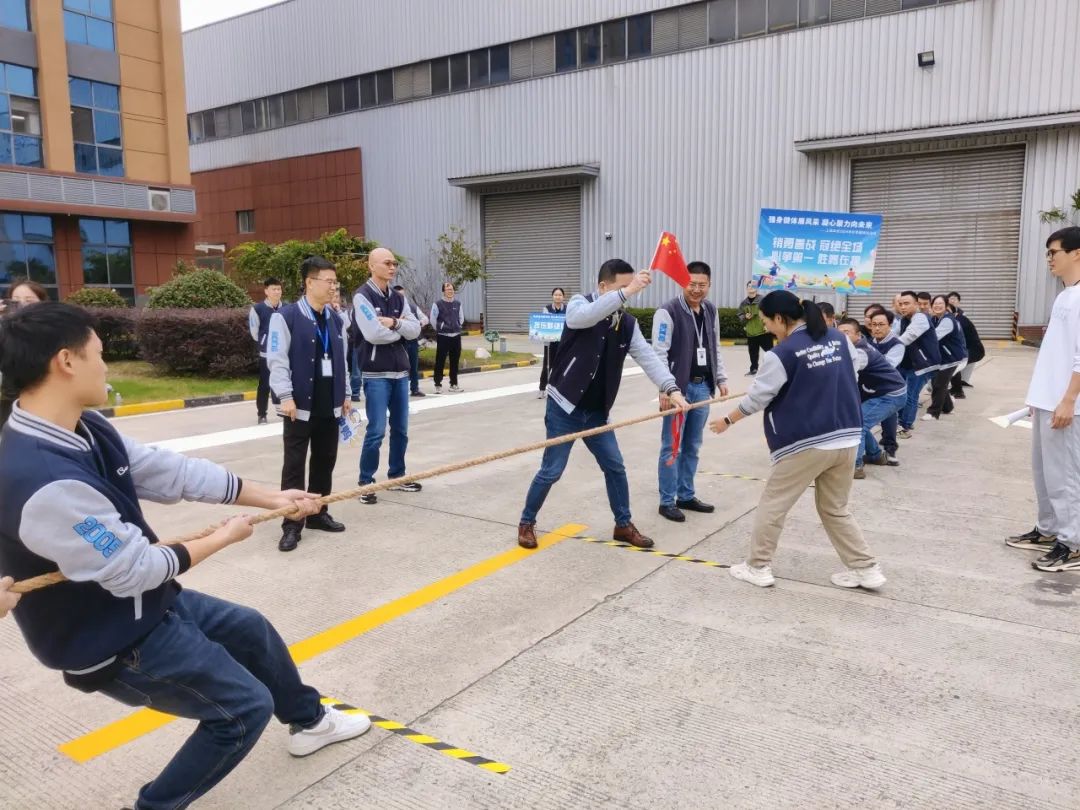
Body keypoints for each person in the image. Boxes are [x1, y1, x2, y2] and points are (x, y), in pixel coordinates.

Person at [0, 303, 370, 810]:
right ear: (66, 361)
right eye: (100, 354)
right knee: (242, 711)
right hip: (108, 638)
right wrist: (224, 537)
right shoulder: (43, 481)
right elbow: (135, 570)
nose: (106, 366)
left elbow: (169, 472)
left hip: (146, 606)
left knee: (251, 630)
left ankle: (310, 722)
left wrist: (273, 496)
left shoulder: (85, 427)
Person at [708, 291, 885, 591]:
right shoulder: (838, 338)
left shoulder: (782, 353)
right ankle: (866, 569)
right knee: (835, 508)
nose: (766, 327)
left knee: (773, 505)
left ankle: (757, 566)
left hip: (807, 442)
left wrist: (727, 420)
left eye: (766, 321)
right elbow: (851, 371)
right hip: (846, 438)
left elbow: (758, 398)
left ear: (780, 318)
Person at [517, 260, 688, 550]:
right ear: (603, 287)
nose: (629, 294)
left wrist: (671, 388)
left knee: (615, 467)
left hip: (597, 413)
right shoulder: (579, 304)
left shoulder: (627, 324)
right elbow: (581, 319)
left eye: (631, 288)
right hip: (564, 408)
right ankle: (526, 522)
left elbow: (648, 357)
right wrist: (626, 292)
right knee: (552, 471)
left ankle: (623, 525)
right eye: (623, 287)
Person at [1008, 226, 1080, 570]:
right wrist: (1038, 398)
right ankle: (1049, 529)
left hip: (1066, 405)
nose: (1049, 258)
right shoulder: (1066, 295)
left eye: (1054, 252)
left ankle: (1073, 542)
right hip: (1046, 401)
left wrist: (1069, 400)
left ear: (1076, 253)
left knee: (1065, 476)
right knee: (1044, 473)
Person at [267, 257, 351, 553]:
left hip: (330, 405)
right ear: (309, 283)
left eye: (335, 282)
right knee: (294, 466)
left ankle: (318, 513)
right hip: (299, 406)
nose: (333, 287)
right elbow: (276, 360)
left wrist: (346, 394)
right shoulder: (286, 317)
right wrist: (285, 396)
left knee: (325, 462)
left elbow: (342, 361)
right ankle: (291, 523)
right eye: (329, 281)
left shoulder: (336, 319)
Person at [652, 261, 729, 522]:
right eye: (691, 284)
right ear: (681, 282)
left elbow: (714, 346)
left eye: (702, 285)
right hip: (678, 391)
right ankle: (666, 501)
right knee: (672, 446)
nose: (696, 289)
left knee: (693, 445)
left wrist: (720, 377)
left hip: (702, 387)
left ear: (709, 285)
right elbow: (659, 354)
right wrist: (665, 388)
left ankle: (685, 495)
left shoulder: (710, 310)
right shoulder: (667, 311)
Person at [352, 249, 422, 504]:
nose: (393, 267)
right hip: (376, 375)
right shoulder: (362, 296)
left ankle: (397, 475)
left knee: (401, 429)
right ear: (372, 266)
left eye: (394, 263)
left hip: (400, 373)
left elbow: (416, 329)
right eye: (387, 263)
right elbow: (372, 334)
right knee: (376, 430)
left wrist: (394, 323)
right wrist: (402, 331)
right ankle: (366, 481)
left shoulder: (398, 298)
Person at [837, 318, 906, 478]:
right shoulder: (853, 348)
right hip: (882, 392)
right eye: (839, 334)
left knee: (858, 425)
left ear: (858, 335)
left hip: (890, 394)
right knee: (859, 421)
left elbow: (843, 372)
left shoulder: (861, 353)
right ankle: (875, 456)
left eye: (846, 333)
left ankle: (856, 466)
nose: (842, 337)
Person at [895, 290, 940, 437]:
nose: (903, 307)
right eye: (900, 304)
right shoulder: (904, 319)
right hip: (910, 363)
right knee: (903, 393)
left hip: (923, 364)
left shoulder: (920, 318)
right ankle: (904, 421)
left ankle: (905, 426)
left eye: (906, 303)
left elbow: (908, 337)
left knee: (910, 395)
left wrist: (889, 346)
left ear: (916, 304)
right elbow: (894, 334)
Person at [868, 309, 905, 464]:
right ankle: (872, 451)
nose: (877, 328)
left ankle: (890, 449)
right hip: (869, 387)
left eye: (881, 324)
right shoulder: (869, 343)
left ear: (890, 325)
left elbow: (888, 365)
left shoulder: (897, 344)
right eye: (874, 324)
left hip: (889, 389)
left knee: (889, 417)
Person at [923, 294, 967, 421]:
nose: (937, 306)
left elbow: (934, 337)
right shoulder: (935, 319)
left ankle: (933, 412)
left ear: (946, 306)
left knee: (939, 384)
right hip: (942, 358)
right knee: (936, 382)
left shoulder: (948, 320)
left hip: (952, 358)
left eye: (940, 303)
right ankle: (948, 407)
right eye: (935, 304)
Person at [248, 277, 285, 425]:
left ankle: (283, 411)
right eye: (273, 289)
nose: (277, 292)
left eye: (279, 289)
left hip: (284, 355)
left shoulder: (287, 308)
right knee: (264, 385)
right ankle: (262, 414)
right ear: (266, 291)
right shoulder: (258, 309)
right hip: (266, 355)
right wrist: (264, 343)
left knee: (284, 383)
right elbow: (254, 332)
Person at [947, 292, 984, 398]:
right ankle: (960, 383)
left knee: (953, 362)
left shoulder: (959, 320)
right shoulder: (956, 317)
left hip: (974, 351)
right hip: (971, 349)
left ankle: (958, 391)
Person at [393, 284, 428, 398]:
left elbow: (425, 318)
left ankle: (415, 389)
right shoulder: (391, 308)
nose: (402, 298)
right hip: (398, 341)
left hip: (412, 340)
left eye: (403, 295)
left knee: (413, 365)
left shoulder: (412, 307)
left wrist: (419, 323)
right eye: (399, 295)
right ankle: (398, 390)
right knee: (399, 366)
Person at [431, 282, 463, 394]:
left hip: (456, 336)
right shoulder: (437, 304)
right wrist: (441, 328)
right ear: (443, 291)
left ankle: (454, 384)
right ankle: (438, 384)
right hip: (443, 336)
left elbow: (461, 318)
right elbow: (433, 320)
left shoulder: (458, 304)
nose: (450, 291)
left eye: (452, 289)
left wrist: (457, 326)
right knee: (440, 361)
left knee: (455, 361)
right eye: (448, 289)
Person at [738, 281, 774, 376]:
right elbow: (740, 316)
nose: (751, 287)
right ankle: (753, 369)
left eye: (753, 286)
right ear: (747, 288)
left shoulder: (763, 300)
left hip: (764, 331)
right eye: (749, 286)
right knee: (753, 353)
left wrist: (768, 325)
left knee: (771, 352)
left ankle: (774, 369)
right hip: (751, 333)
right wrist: (745, 317)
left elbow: (770, 313)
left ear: (757, 288)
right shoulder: (743, 303)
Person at [539, 287, 567, 399]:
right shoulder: (547, 309)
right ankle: (542, 389)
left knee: (562, 366)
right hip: (550, 343)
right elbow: (544, 323)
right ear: (552, 296)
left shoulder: (568, 309)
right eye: (556, 295)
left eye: (560, 295)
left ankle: (559, 390)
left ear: (563, 297)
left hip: (563, 343)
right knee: (547, 366)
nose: (558, 297)